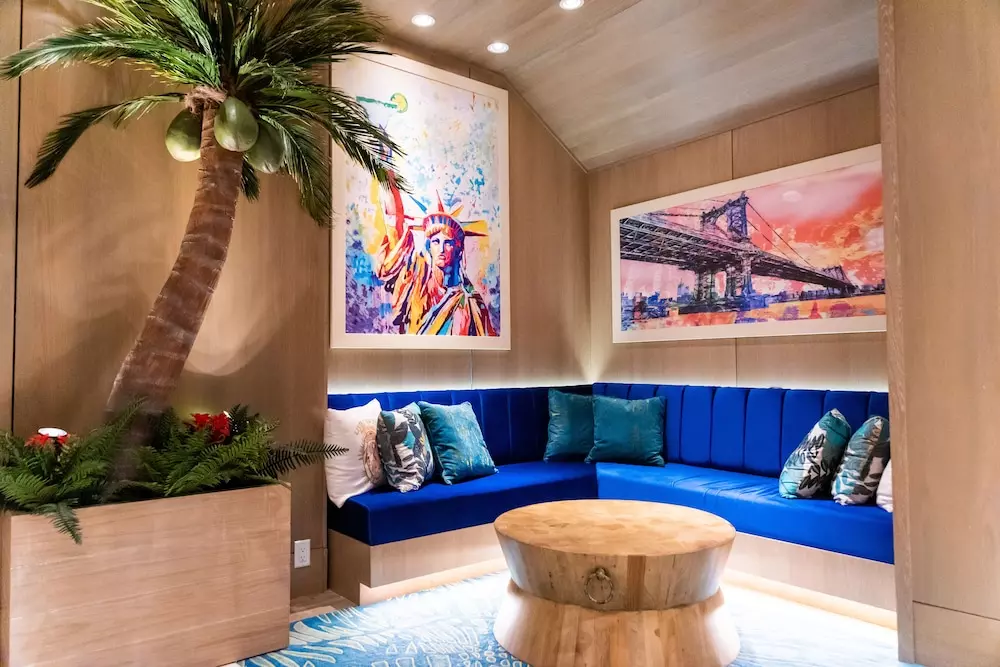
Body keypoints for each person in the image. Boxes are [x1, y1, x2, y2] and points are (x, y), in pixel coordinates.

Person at [375, 187, 497, 337]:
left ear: (458, 250)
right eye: (436, 241)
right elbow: (394, 218)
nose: (441, 249)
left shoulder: (472, 303)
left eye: (448, 243)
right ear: (429, 247)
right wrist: (387, 178)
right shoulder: (415, 282)